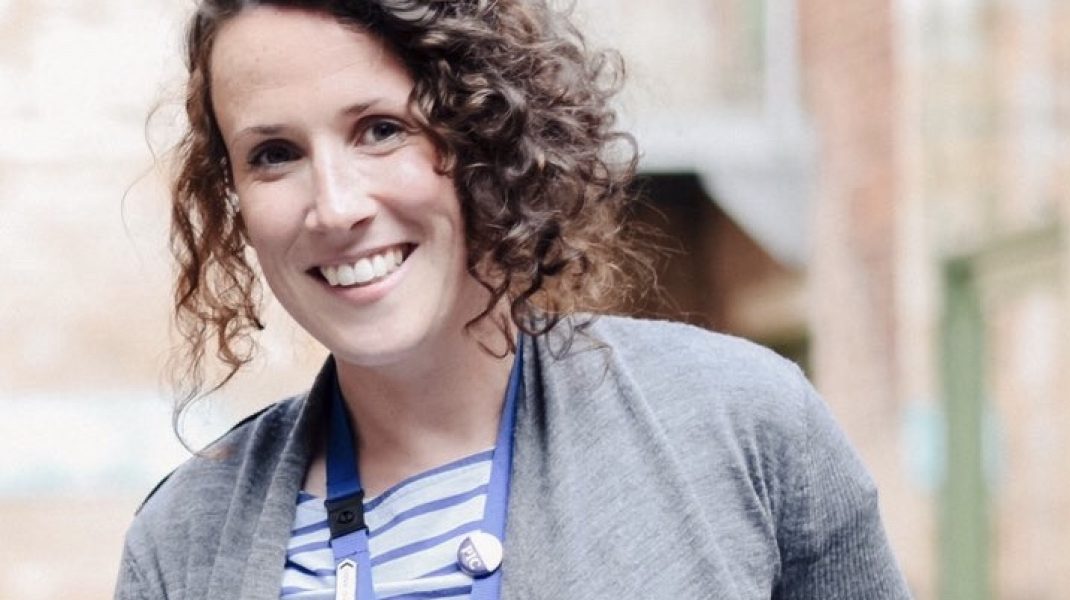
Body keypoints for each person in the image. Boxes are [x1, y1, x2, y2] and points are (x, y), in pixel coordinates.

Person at [115, 1, 911, 598]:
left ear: (483, 130)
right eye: (275, 154)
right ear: (235, 201)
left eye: (380, 130)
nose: (335, 206)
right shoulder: (185, 543)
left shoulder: (738, 424)